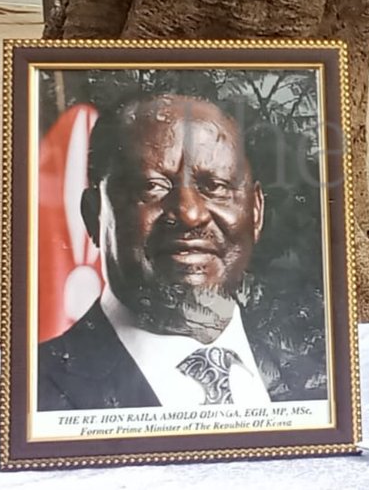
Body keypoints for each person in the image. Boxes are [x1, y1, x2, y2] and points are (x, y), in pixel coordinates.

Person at [38, 94, 326, 410]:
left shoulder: (320, 368)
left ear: (256, 212)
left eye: (215, 186)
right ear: (93, 215)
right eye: (151, 186)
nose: (190, 213)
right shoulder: (39, 389)